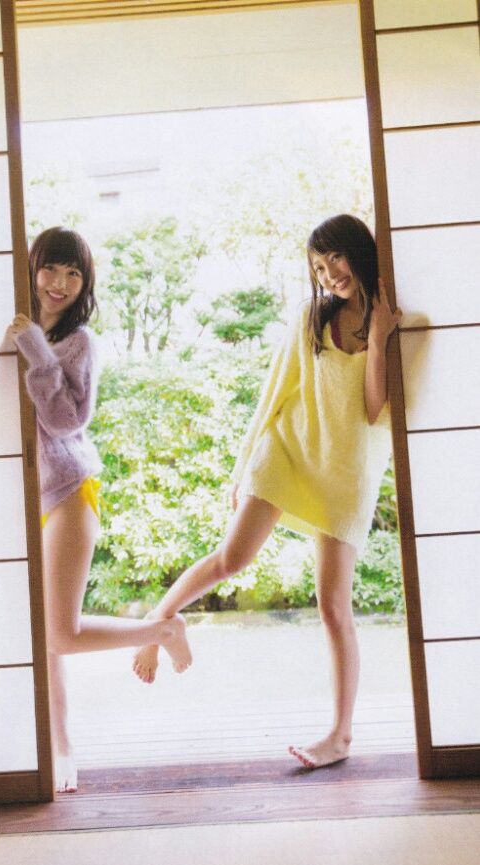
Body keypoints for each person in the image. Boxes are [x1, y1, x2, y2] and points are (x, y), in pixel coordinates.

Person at [133, 214, 401, 770]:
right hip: (286, 452)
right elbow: (274, 391)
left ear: (358, 251)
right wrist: (241, 470)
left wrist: (378, 340)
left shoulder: (388, 318)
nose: (328, 274)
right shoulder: (311, 318)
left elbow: (375, 411)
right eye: (318, 267)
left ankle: (340, 736)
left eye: (335, 259)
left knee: (333, 607)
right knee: (232, 558)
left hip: (347, 473)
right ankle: (157, 625)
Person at [7, 227, 191, 793]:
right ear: (32, 268)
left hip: (69, 488)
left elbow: (67, 421)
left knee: (60, 635)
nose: (60, 283)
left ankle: (163, 629)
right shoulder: (16, 326)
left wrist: (35, 347)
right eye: (51, 268)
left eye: (74, 273)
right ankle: (60, 749)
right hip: (24, 496)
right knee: (45, 639)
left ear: (84, 284)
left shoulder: (79, 342)